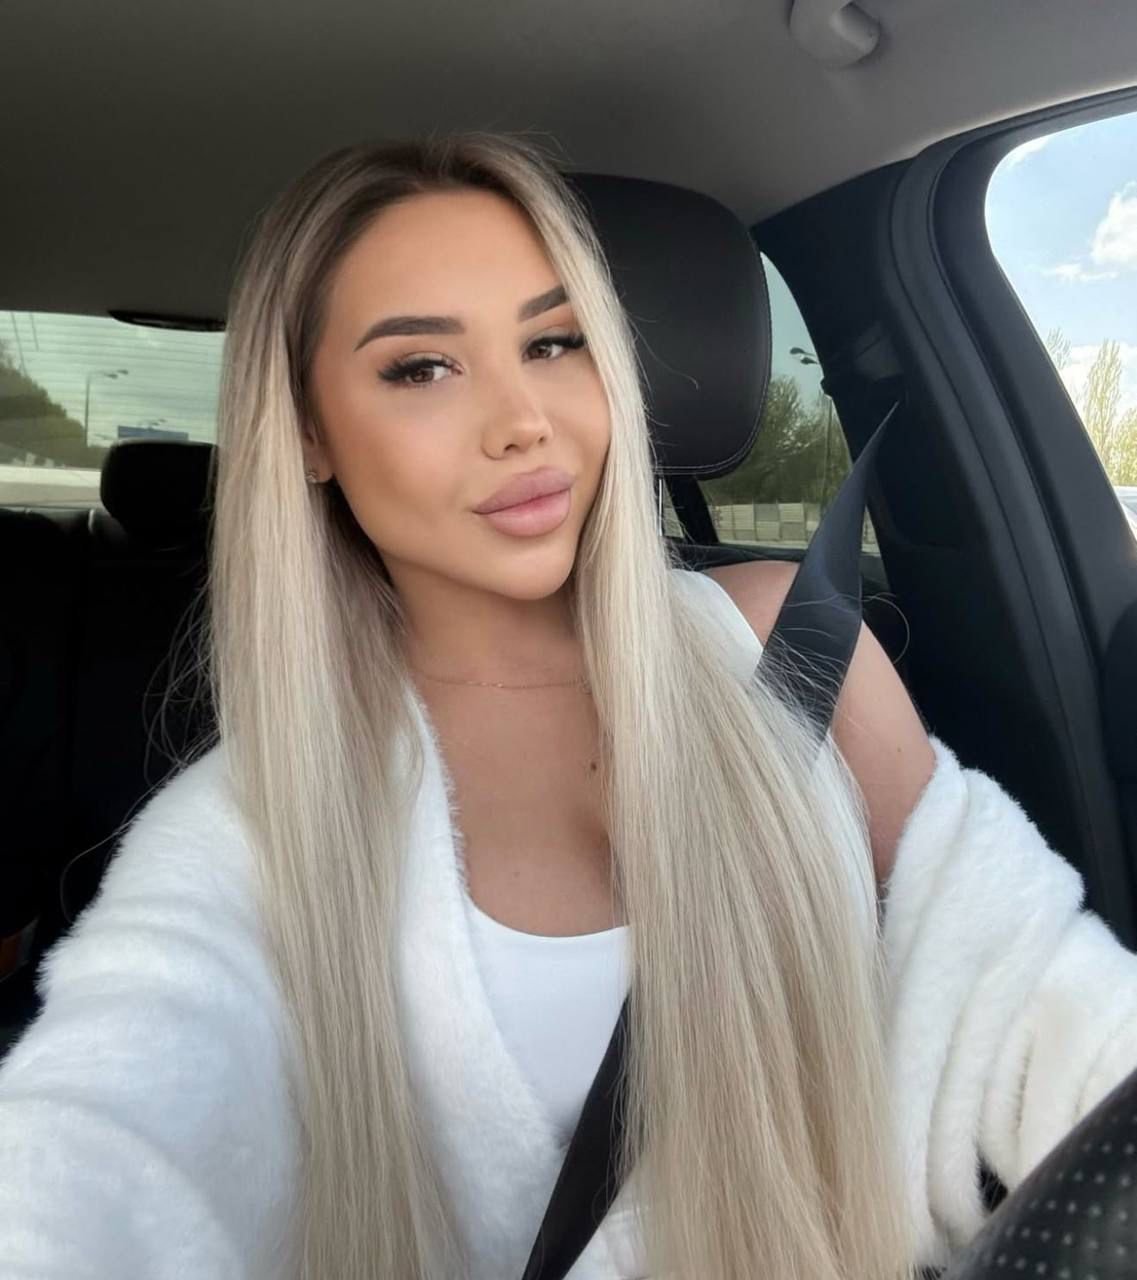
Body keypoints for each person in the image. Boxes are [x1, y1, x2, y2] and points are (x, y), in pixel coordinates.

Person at [2, 131, 1136, 1280]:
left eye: (554, 342)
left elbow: (1029, 983)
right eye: (421, 367)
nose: (522, 420)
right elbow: (105, 1133)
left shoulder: (794, 644)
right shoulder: (251, 821)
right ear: (306, 431)